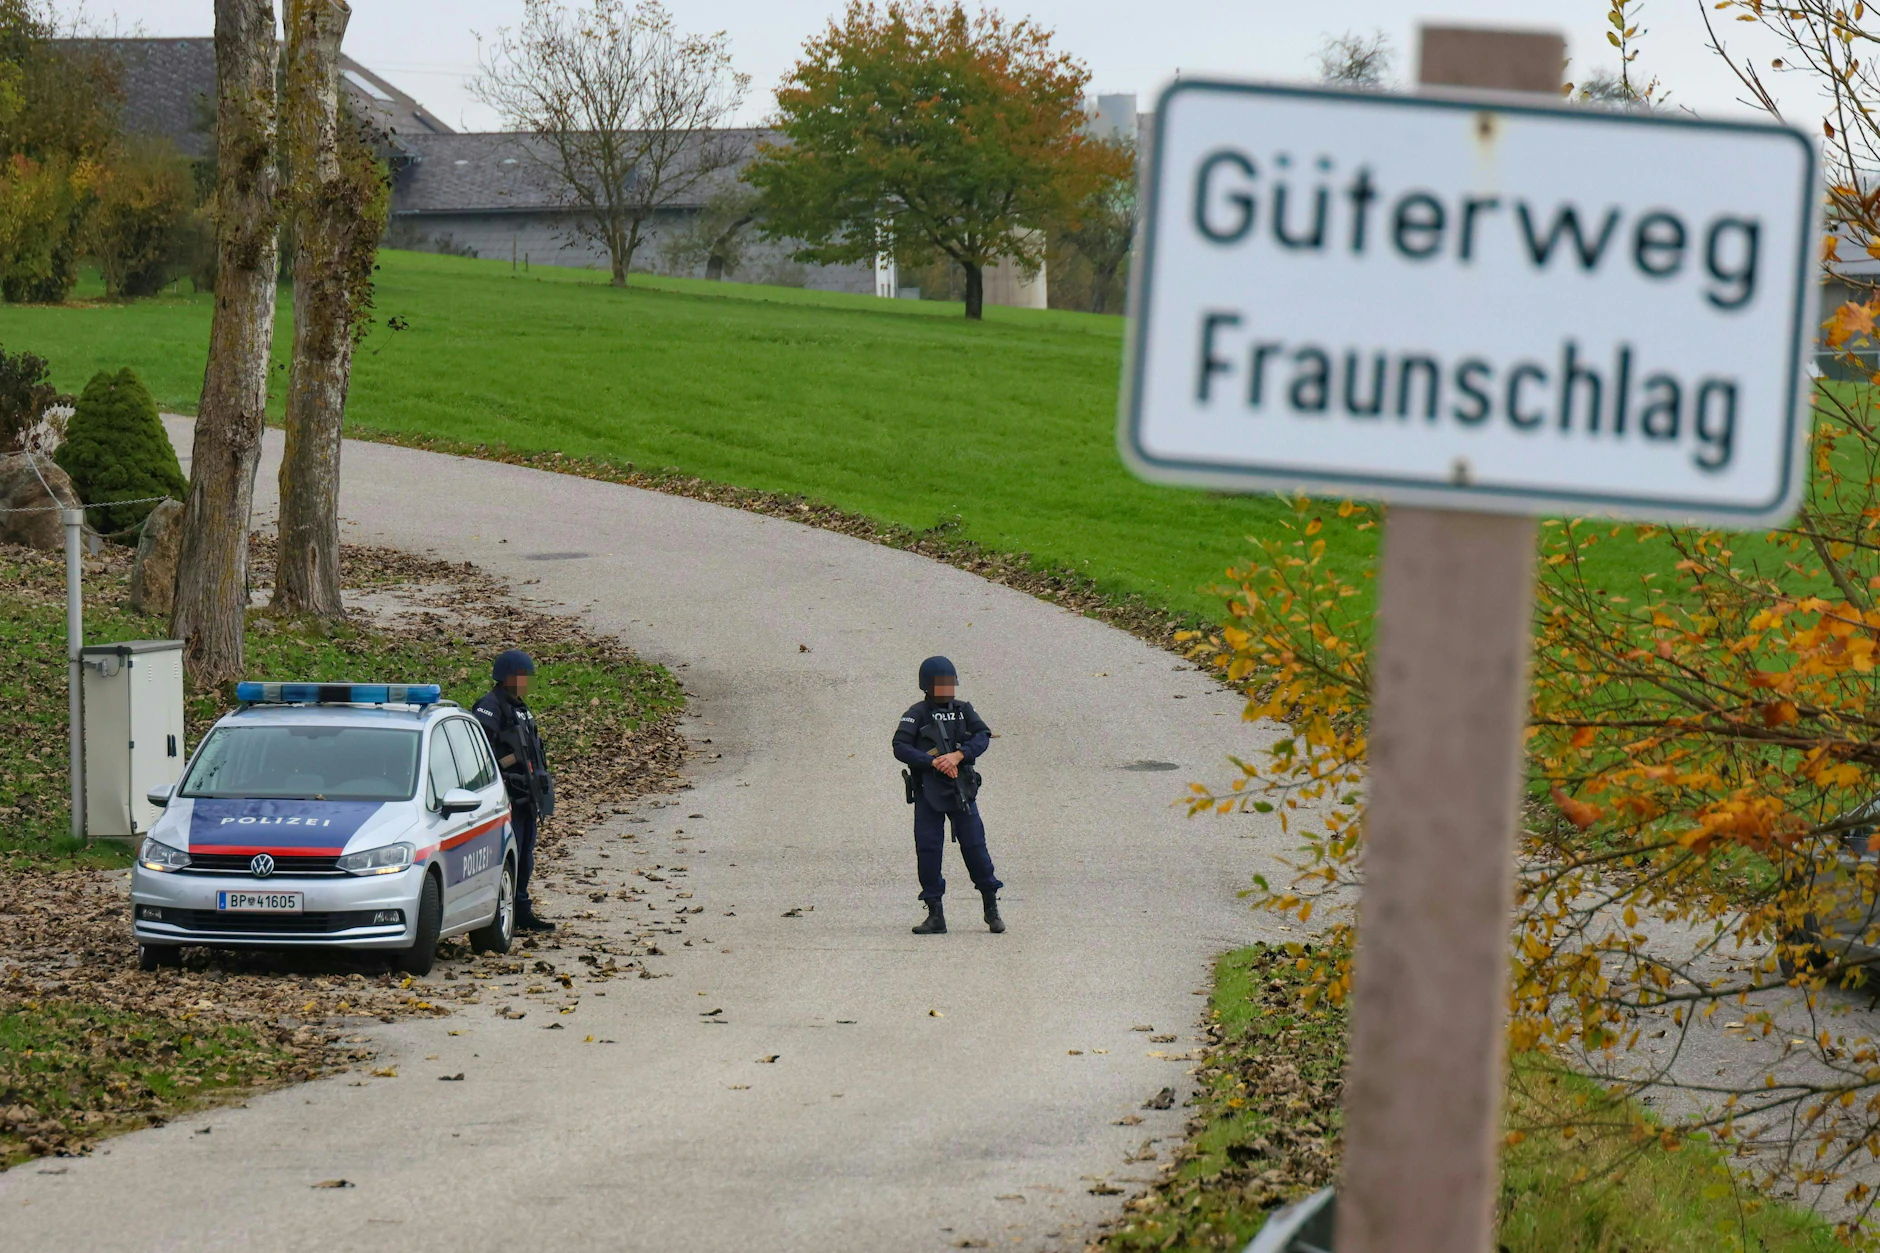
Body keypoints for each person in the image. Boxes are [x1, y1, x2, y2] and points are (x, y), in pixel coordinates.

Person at [892, 655, 1004, 935]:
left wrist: (958, 755)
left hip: (961, 789)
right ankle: (935, 914)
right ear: (926, 685)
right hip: (928, 790)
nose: (946, 689)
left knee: (975, 847)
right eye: (940, 684)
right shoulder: (916, 713)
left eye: (949, 683)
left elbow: (982, 736)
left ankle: (991, 907)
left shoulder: (964, 710)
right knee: (928, 849)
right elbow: (900, 746)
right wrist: (931, 761)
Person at [473, 649, 556, 933]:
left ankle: (521, 909)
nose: (526, 683)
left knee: (525, 854)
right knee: (511, 855)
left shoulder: (520, 707)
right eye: (523, 677)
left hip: (526, 796)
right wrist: (510, 764)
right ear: (507, 677)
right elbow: (482, 752)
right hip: (506, 796)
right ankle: (501, 911)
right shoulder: (490, 706)